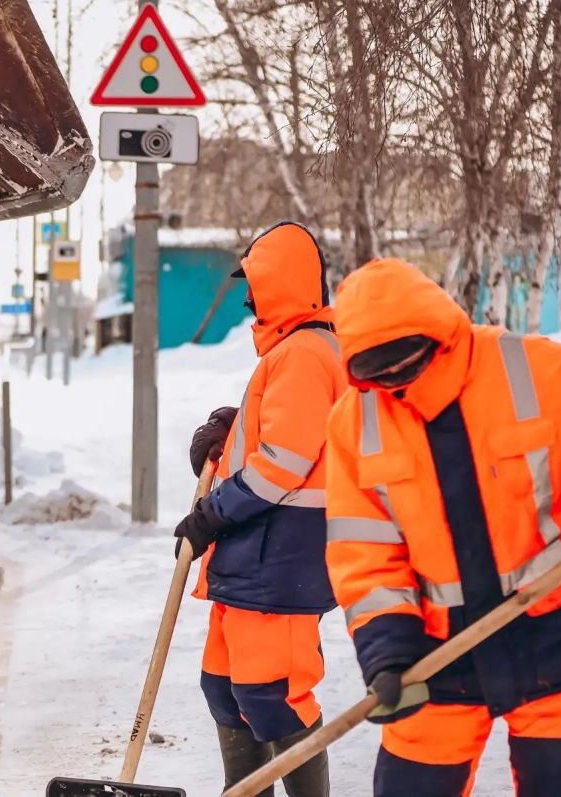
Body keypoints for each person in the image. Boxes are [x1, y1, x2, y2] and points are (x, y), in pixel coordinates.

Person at [325, 258, 561, 796]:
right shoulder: (355, 421)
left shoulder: (531, 367)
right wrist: (387, 647)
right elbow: (364, 548)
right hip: (437, 656)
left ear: (438, 335)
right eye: (379, 374)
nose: (397, 382)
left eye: (406, 364)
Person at [176, 222, 345, 797]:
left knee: (274, 697)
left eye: (254, 283)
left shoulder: (303, 354)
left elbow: (281, 466)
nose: (248, 297)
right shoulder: (290, 353)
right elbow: (272, 439)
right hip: (254, 560)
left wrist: (210, 517)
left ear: (280, 283)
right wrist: (230, 429)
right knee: (225, 689)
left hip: (281, 564)